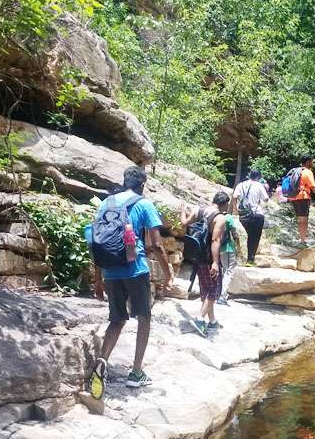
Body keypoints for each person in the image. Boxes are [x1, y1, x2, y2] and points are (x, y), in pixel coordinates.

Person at [88, 166, 173, 398]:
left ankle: (101, 362)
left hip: (111, 272)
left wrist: (98, 278)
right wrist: (167, 273)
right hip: (136, 270)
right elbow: (156, 244)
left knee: (116, 320)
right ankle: (136, 373)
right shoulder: (143, 203)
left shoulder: (107, 203)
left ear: (125, 182)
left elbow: (96, 241)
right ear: (142, 184)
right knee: (144, 318)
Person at [180, 191, 229, 337]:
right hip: (208, 257)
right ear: (224, 204)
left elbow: (184, 223)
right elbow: (215, 241)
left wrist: (182, 210)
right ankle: (200, 319)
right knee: (214, 290)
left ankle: (212, 321)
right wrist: (215, 262)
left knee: (206, 288)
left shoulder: (198, 210)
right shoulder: (219, 218)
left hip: (197, 256)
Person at [288, 155, 315, 245]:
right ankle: (303, 241)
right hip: (303, 196)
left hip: (294, 197)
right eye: (311, 162)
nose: (312, 163)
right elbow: (313, 187)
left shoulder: (296, 171)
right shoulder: (307, 172)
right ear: (307, 162)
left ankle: (301, 238)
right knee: (304, 219)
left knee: (300, 219)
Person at [232, 169, 269, 264]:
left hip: (243, 214)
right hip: (257, 214)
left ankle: (240, 258)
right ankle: (250, 259)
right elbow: (265, 199)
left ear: (249, 175)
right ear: (258, 177)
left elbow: (235, 197)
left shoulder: (241, 184)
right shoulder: (259, 185)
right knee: (254, 237)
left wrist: (235, 210)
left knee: (247, 235)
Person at [218, 211, 241, 305]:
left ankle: (223, 293)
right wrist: (239, 248)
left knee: (224, 271)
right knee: (229, 271)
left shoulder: (216, 216)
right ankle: (222, 297)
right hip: (228, 248)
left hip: (218, 248)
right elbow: (234, 233)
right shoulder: (228, 217)